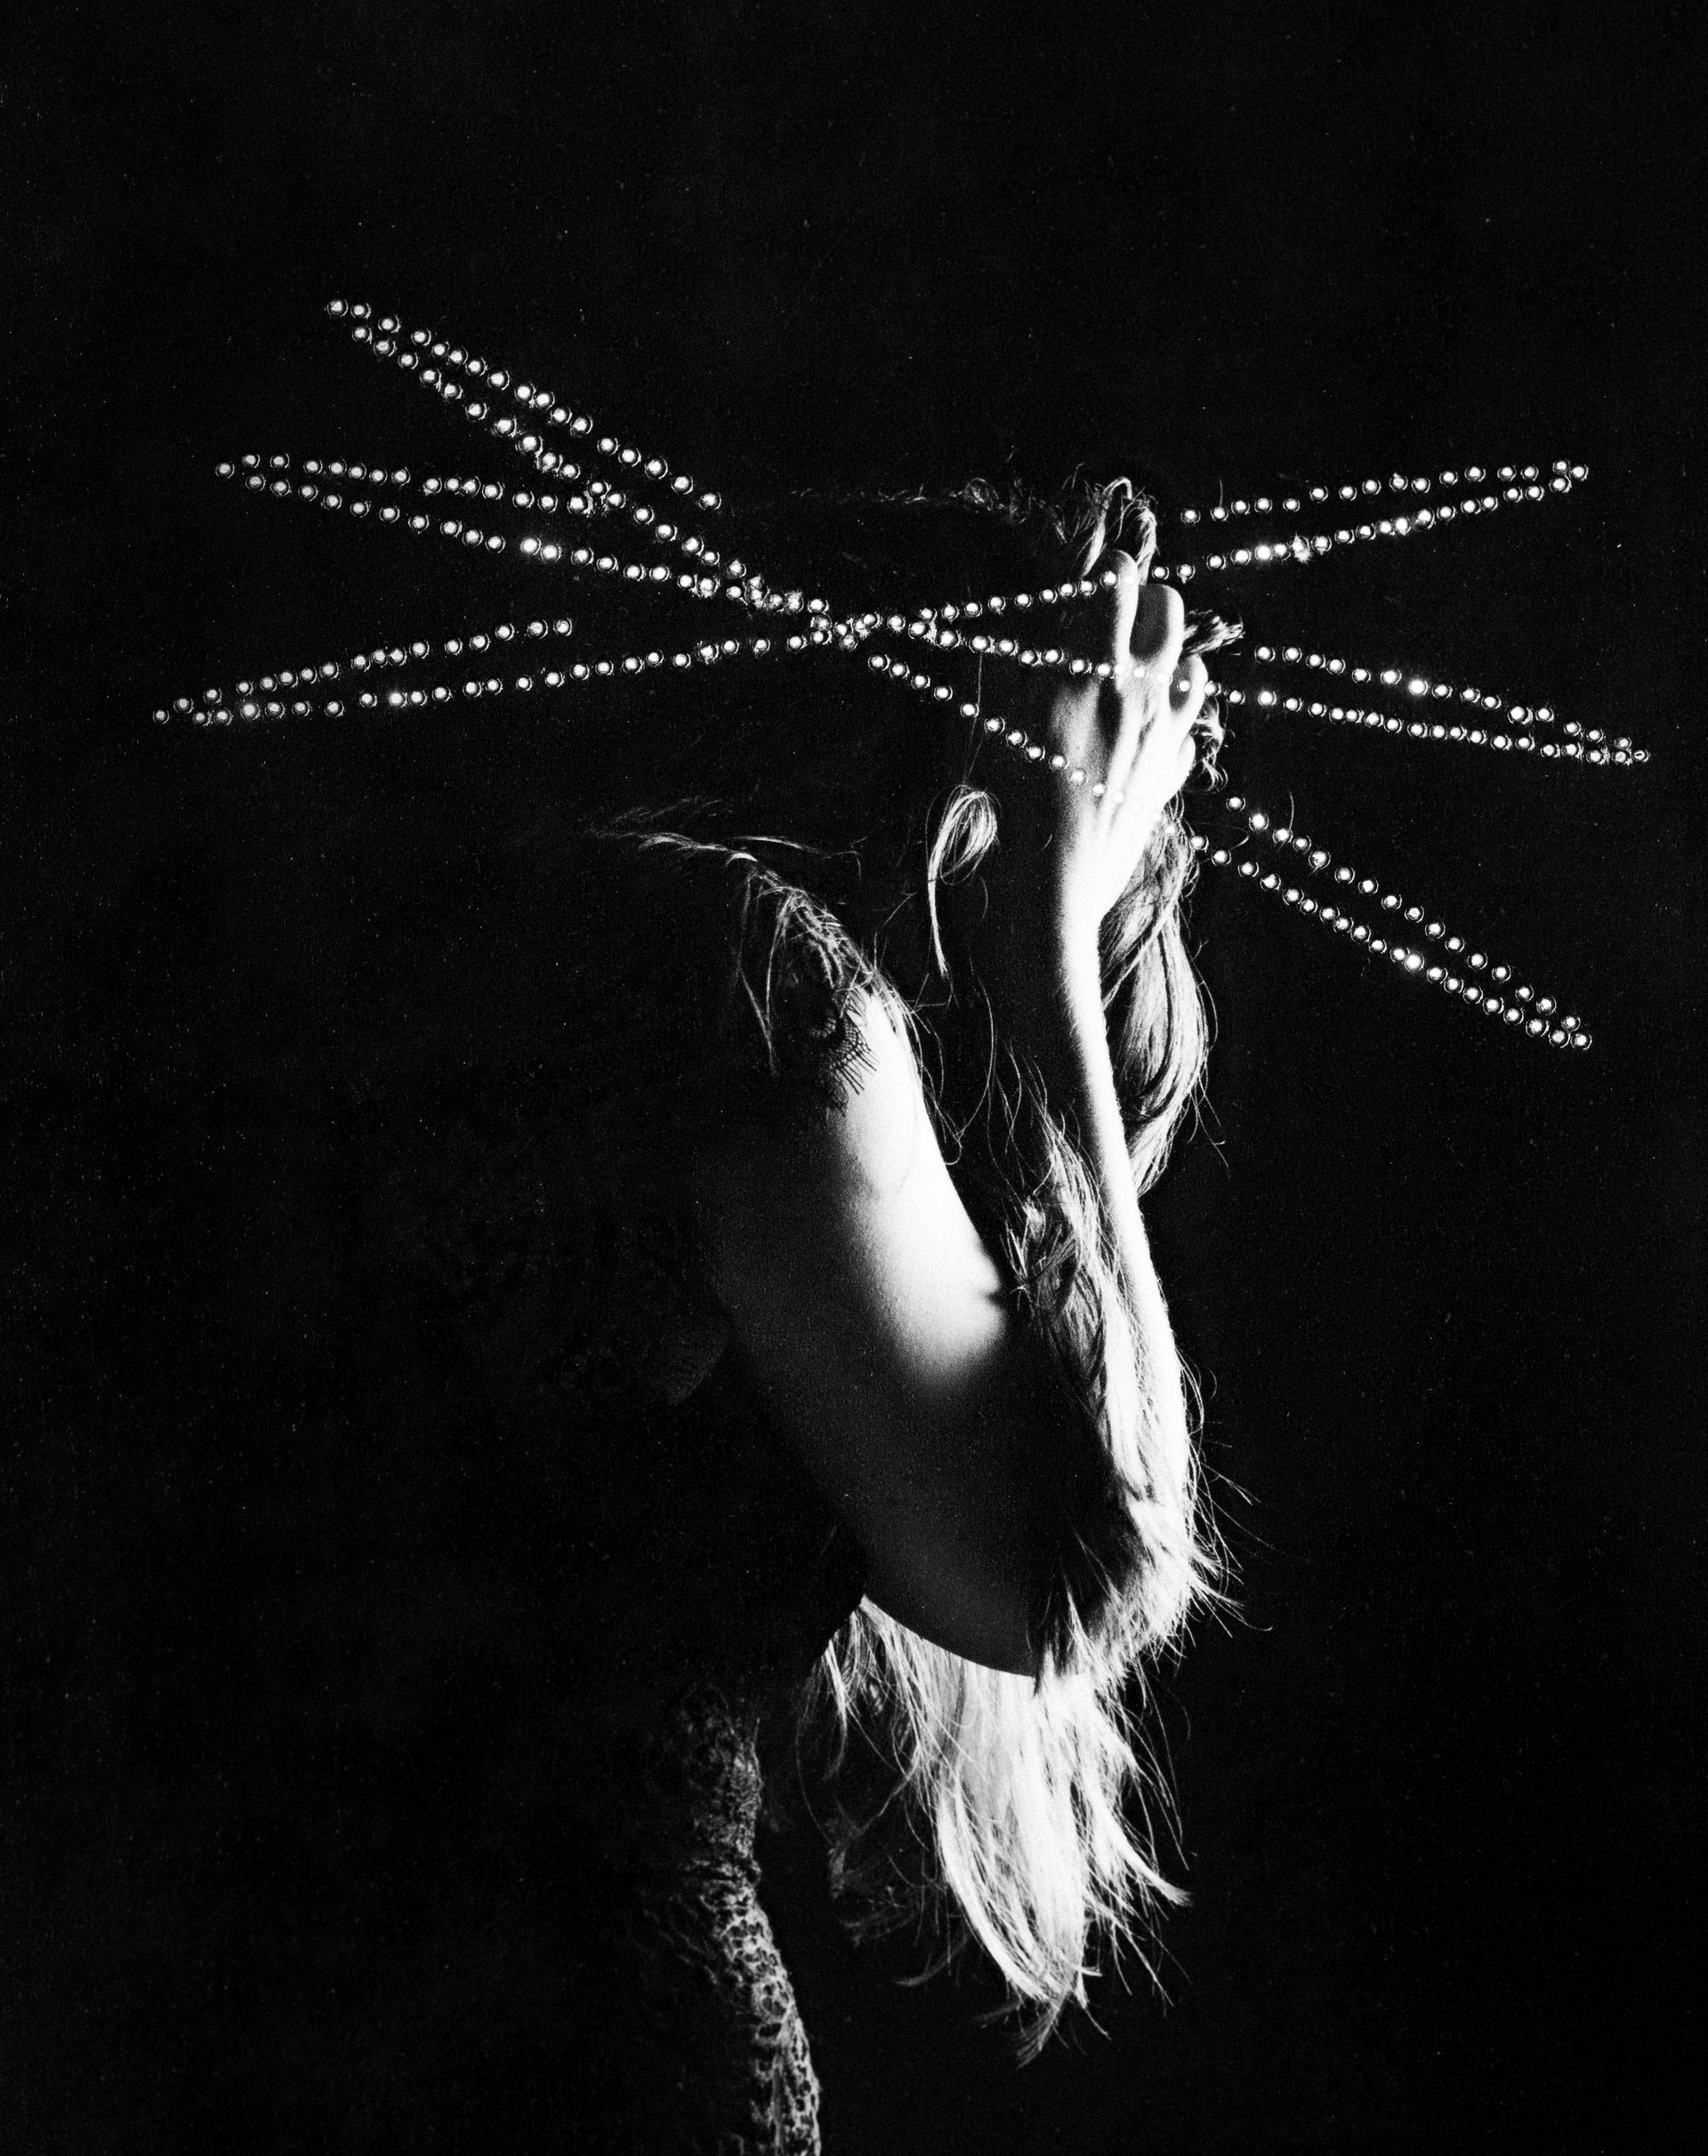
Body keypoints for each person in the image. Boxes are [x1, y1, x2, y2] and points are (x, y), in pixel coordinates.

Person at [133, 473, 1227, 2152]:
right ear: (982, 802)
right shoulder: (769, 998)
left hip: (238, 1992)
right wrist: (1057, 944)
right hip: (578, 2050)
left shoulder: (597, 944)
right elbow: (1072, 1576)